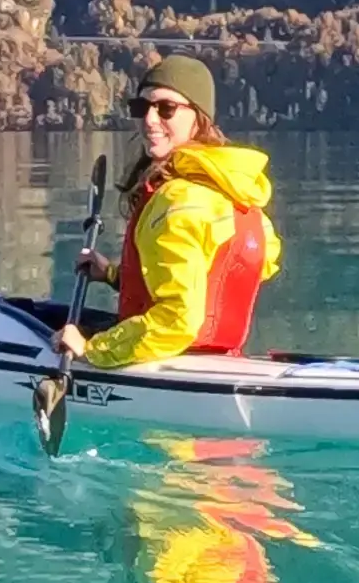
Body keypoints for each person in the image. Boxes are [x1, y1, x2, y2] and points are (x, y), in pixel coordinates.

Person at [58, 54, 279, 368]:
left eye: (166, 108)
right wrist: (113, 275)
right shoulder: (235, 193)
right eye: (142, 107)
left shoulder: (177, 202)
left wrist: (93, 348)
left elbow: (178, 320)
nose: (149, 119)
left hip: (170, 359)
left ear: (198, 116)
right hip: (219, 358)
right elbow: (241, 267)